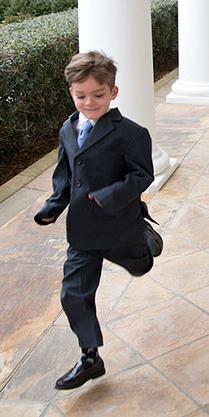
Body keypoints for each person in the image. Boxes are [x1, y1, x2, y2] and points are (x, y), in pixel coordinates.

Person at [34, 51, 163, 390]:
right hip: (83, 232)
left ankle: (146, 240)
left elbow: (142, 176)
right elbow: (65, 173)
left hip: (120, 226)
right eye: (81, 96)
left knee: (140, 267)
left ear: (113, 93)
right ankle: (90, 357)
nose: (89, 103)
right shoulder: (68, 128)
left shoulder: (132, 134)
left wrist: (110, 196)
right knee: (73, 294)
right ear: (72, 93)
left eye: (98, 95)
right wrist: (54, 204)